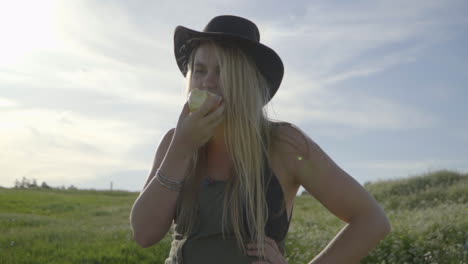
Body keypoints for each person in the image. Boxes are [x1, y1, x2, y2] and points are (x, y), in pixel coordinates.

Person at [130, 15, 391, 264]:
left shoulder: (284, 145)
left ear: (246, 81)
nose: (207, 83)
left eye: (222, 71)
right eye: (199, 71)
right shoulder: (174, 143)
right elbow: (144, 234)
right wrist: (181, 149)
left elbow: (371, 221)